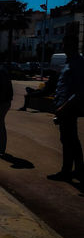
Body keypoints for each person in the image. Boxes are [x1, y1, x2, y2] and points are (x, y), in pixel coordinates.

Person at [47, 34, 84, 182]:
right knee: (68, 140)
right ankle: (73, 170)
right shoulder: (69, 62)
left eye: (65, 44)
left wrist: (64, 106)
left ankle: (72, 171)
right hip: (64, 108)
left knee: (71, 140)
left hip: (69, 109)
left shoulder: (79, 63)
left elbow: (80, 91)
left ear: (72, 46)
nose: (62, 46)